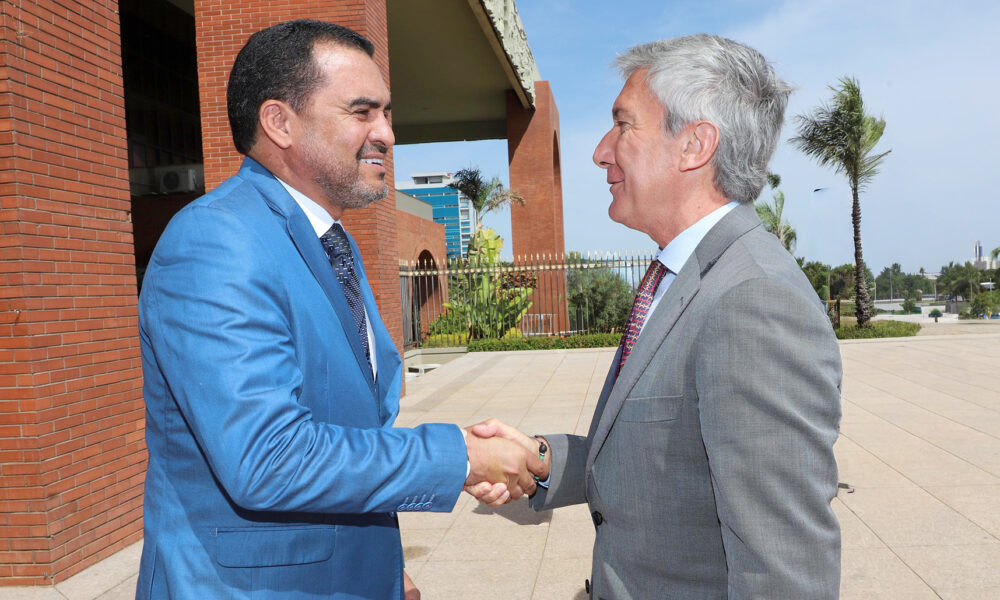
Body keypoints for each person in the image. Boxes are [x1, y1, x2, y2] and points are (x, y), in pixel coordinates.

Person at [136, 20, 541, 600]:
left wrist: (384, 566)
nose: (387, 134)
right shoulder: (217, 241)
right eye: (362, 112)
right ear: (279, 122)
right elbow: (269, 458)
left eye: (387, 113)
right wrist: (460, 457)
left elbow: (350, 429)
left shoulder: (332, 243)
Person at [469, 34, 843, 599]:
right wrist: (542, 460)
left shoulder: (753, 300)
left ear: (694, 145)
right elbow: (668, 461)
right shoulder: (685, 277)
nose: (601, 151)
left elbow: (785, 567)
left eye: (623, 125)